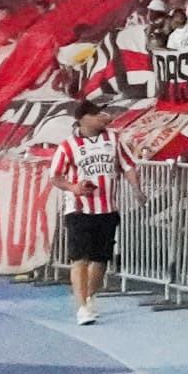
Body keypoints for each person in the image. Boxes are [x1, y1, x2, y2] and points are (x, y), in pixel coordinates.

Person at [41, 112, 126, 325]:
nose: (102, 119)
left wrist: (137, 188)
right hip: (78, 209)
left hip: (107, 209)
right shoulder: (67, 146)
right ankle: (81, 307)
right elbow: (55, 177)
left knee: (100, 260)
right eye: (96, 116)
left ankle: (89, 297)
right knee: (79, 258)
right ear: (83, 119)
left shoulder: (113, 139)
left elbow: (128, 165)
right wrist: (73, 187)